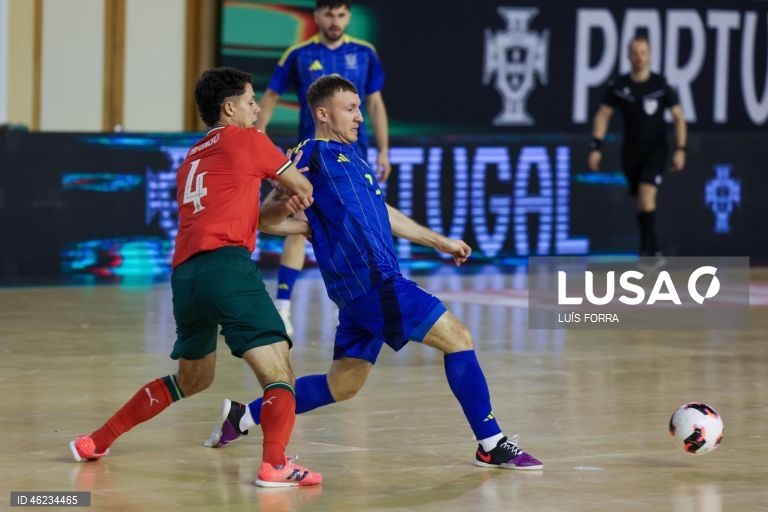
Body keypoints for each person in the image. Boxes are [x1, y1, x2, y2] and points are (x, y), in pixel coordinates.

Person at [204, 75, 543, 471]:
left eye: (360, 108)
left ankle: (242, 417)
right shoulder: (309, 155)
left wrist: (441, 242)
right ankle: (491, 443)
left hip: (363, 292)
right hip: (373, 283)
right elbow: (264, 219)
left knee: (342, 385)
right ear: (322, 113)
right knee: (458, 336)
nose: (360, 117)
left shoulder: (354, 159)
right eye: (350, 108)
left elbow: (384, 215)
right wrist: (303, 224)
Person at [69, 67, 323, 488]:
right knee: (280, 372)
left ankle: (95, 441)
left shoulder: (191, 159)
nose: (257, 108)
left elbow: (249, 216)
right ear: (229, 108)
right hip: (228, 268)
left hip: (186, 277)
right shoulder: (249, 140)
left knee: (193, 378)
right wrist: (291, 181)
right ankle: (275, 465)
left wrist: (293, 221)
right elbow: (302, 188)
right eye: (250, 101)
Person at [256, 0, 391, 335]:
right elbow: (271, 96)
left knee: (359, 227)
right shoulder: (298, 54)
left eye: (341, 14)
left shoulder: (364, 53)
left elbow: (374, 102)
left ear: (348, 17)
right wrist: (257, 138)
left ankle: (351, 306)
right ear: (316, 16)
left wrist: (385, 150)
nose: (335, 20)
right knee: (303, 221)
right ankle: (283, 308)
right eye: (329, 13)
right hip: (313, 158)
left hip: (354, 159)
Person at [588, 35, 687, 262]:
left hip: (656, 148)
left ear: (650, 55)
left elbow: (679, 116)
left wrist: (681, 148)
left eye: (643, 53)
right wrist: (596, 146)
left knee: (646, 195)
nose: (639, 58)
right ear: (628, 56)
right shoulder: (619, 86)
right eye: (635, 53)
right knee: (641, 203)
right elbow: (603, 115)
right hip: (631, 152)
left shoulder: (659, 85)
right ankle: (651, 249)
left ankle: (648, 253)